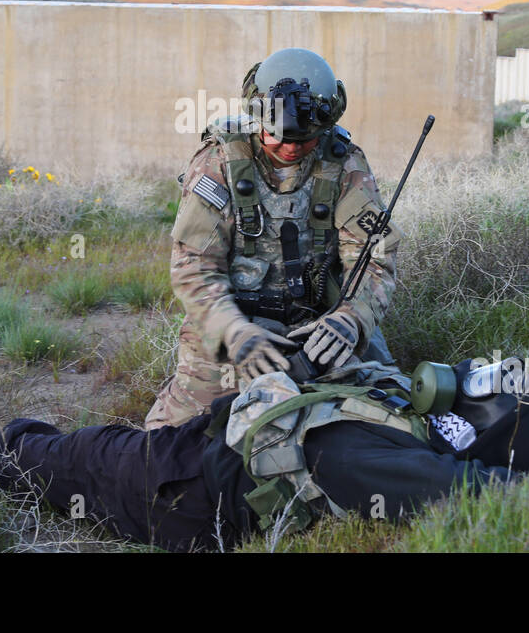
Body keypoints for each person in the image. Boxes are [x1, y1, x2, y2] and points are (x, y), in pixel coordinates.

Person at [0, 369, 529, 551]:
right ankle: (20, 439)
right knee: (101, 444)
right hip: (231, 434)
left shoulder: (381, 459)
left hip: (199, 496)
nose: (484, 384)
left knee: (94, 463)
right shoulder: (435, 423)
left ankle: (3, 463)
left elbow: (472, 490)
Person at [145, 48, 402, 429]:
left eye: (305, 139)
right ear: (256, 117)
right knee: (173, 439)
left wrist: (352, 318)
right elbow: (194, 267)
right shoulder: (219, 162)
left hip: (319, 326)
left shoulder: (345, 164)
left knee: (390, 411)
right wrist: (233, 331)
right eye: (276, 136)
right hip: (237, 323)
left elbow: (374, 257)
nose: (290, 148)